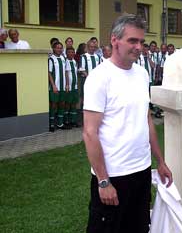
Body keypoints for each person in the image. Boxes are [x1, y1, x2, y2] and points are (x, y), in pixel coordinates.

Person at [83, 14, 172, 233]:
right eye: (132, 41)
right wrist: (104, 182)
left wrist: (159, 161)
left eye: (141, 41)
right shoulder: (99, 77)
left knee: (139, 227)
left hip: (141, 171)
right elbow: (89, 133)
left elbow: (146, 119)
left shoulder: (142, 74)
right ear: (114, 40)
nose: (139, 46)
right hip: (113, 176)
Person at [48, 41, 70, 131]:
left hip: (63, 87)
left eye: (61, 48)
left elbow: (66, 72)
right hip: (55, 87)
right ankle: (52, 124)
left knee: (62, 104)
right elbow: (49, 73)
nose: (59, 49)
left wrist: (67, 84)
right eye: (57, 47)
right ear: (53, 48)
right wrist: (53, 86)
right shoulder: (51, 59)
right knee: (53, 105)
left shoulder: (64, 58)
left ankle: (60, 124)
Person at [65, 47, 80, 128]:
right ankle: (67, 121)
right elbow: (66, 73)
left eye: (72, 52)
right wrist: (67, 84)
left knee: (74, 103)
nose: (71, 54)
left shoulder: (74, 61)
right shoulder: (66, 61)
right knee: (68, 103)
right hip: (69, 86)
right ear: (66, 53)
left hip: (75, 86)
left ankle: (73, 120)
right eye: (69, 52)